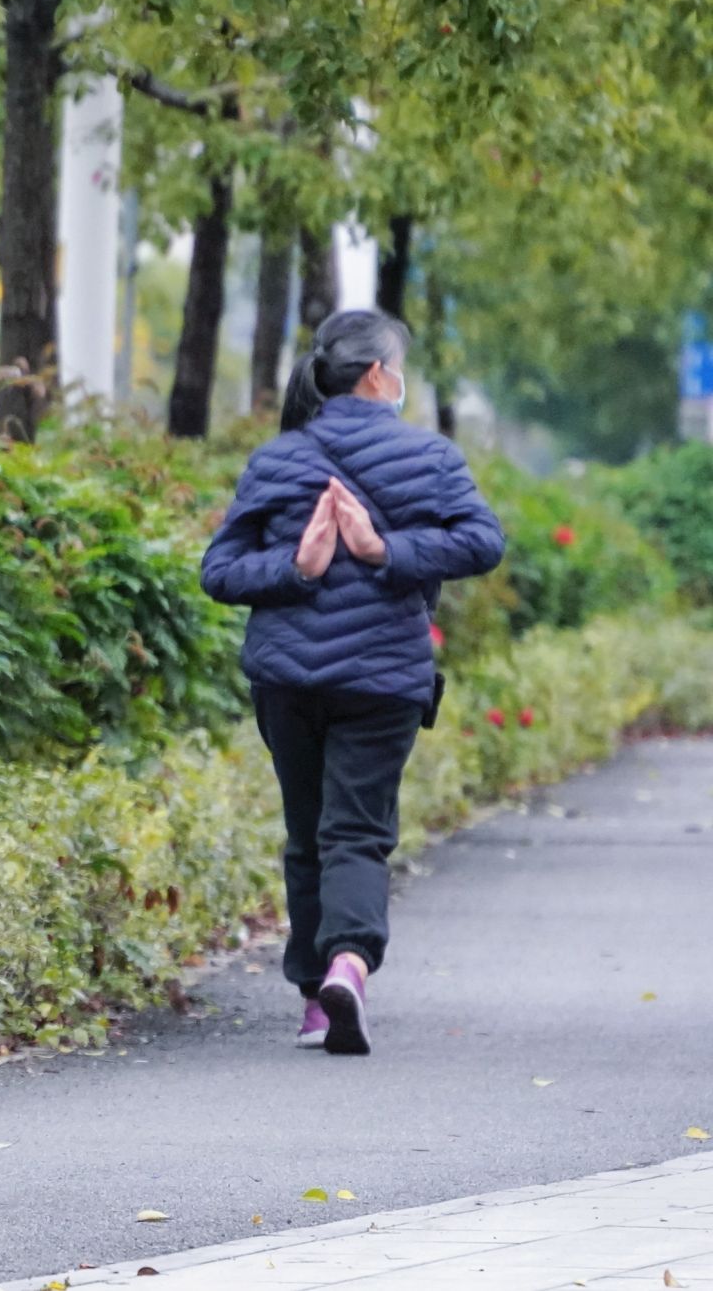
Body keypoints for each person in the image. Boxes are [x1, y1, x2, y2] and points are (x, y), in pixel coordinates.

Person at [200, 309, 504, 1056]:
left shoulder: (276, 461)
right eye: (398, 367)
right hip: (384, 680)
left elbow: (218, 570)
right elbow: (482, 540)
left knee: (308, 834)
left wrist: (320, 562)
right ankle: (349, 961)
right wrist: (385, 554)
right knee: (357, 833)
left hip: (287, 680)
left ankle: (314, 997)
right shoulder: (430, 458)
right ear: (377, 375)